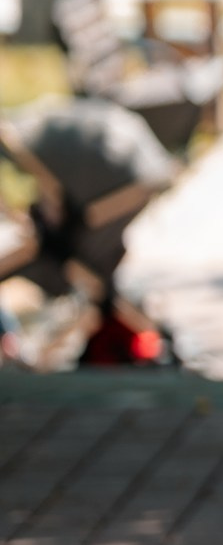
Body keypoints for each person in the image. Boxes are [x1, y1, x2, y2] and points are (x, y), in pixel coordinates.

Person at [0, 96, 178, 365]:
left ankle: (28, 354)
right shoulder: (51, 225)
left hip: (76, 228)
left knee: (90, 286)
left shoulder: (61, 235)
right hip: (75, 224)